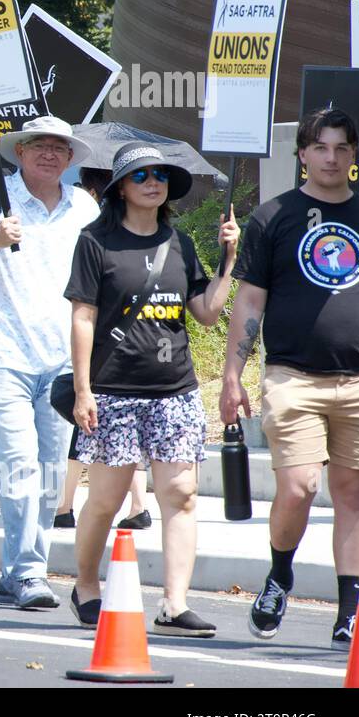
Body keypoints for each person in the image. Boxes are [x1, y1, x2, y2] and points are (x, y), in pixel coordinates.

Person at [67, 143, 238, 636]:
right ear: (121, 185)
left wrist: (228, 262)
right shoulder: (95, 242)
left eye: (160, 174)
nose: (152, 182)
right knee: (106, 499)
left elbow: (205, 314)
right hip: (114, 389)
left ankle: (174, 604)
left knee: (181, 494)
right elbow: (83, 316)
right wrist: (83, 390)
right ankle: (85, 586)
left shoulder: (180, 243)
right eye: (140, 175)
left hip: (175, 391)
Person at [222, 107, 359, 649]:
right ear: (302, 153)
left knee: (354, 495)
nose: (331, 158)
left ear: (354, 157)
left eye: (342, 149)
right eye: (321, 147)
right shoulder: (273, 216)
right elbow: (250, 299)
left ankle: (349, 612)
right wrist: (232, 375)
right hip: (292, 377)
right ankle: (280, 575)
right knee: (300, 485)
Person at [0, 116, 98, 610]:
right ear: (20, 151)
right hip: (4, 355)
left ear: (71, 158)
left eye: (59, 147)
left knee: (51, 474)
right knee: (19, 467)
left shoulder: (84, 206)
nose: (50, 154)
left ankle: (15, 574)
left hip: (63, 360)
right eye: (39, 146)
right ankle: (31, 573)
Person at [55, 165, 151, 530]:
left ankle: (64, 504)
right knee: (109, 429)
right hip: (115, 339)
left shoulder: (90, 226)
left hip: (86, 338)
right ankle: (136, 505)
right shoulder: (115, 232)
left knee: (84, 420)